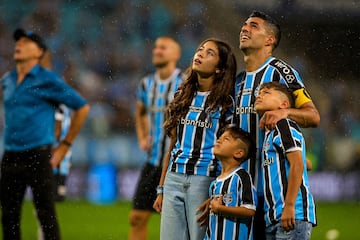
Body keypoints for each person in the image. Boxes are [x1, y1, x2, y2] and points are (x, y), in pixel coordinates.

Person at [235, 11, 320, 240]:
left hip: (275, 191)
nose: (244, 29)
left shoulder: (282, 71)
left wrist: (284, 112)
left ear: (269, 40)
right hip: (245, 190)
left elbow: (313, 116)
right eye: (244, 25)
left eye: (253, 26)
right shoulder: (239, 80)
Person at [0, 28, 90, 240]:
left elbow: (82, 107)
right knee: (9, 217)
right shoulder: (8, 80)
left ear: (39, 52)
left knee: (45, 215)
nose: (19, 44)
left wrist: (64, 146)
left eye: (26, 42)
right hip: (10, 156)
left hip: (38, 156)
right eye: (18, 41)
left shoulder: (47, 80)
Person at [153, 38, 237, 240]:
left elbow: (229, 154)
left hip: (205, 181)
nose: (200, 54)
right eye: (200, 50)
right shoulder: (182, 94)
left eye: (210, 53)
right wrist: (162, 188)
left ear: (219, 68)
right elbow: (173, 144)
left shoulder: (227, 102)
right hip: (174, 178)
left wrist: (218, 193)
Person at [128, 36, 182, 240]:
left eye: (163, 47)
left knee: (176, 223)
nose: (157, 50)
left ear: (176, 55)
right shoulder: (145, 84)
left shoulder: (185, 82)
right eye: (156, 47)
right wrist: (142, 136)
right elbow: (140, 112)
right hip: (152, 162)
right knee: (136, 218)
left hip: (177, 164)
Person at [254, 82, 316, 239]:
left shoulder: (283, 124)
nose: (259, 95)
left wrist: (289, 206)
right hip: (275, 217)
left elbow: (297, 164)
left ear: (284, 104)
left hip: (292, 214)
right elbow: (304, 163)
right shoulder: (269, 132)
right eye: (258, 93)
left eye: (266, 93)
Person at [204, 125, 257, 240]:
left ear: (238, 153)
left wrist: (221, 209)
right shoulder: (214, 184)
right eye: (220, 137)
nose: (219, 140)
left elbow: (249, 210)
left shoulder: (242, 177)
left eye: (226, 139)